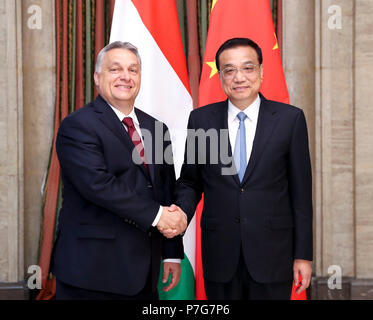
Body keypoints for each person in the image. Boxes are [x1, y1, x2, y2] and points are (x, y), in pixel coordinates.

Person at [172, 37, 313, 300]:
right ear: (221, 76)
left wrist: (303, 254)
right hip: (220, 255)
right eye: (229, 70)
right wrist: (179, 214)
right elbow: (191, 182)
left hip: (273, 255)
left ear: (261, 71)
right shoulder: (201, 119)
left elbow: (301, 194)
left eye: (248, 68)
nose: (239, 77)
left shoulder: (290, 119)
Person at [51, 41, 187, 300]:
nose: (126, 76)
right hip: (92, 274)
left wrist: (171, 252)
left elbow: (166, 191)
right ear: (97, 77)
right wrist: (160, 217)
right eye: (115, 69)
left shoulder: (157, 128)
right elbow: (98, 184)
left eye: (133, 70)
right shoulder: (78, 125)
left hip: (144, 274)